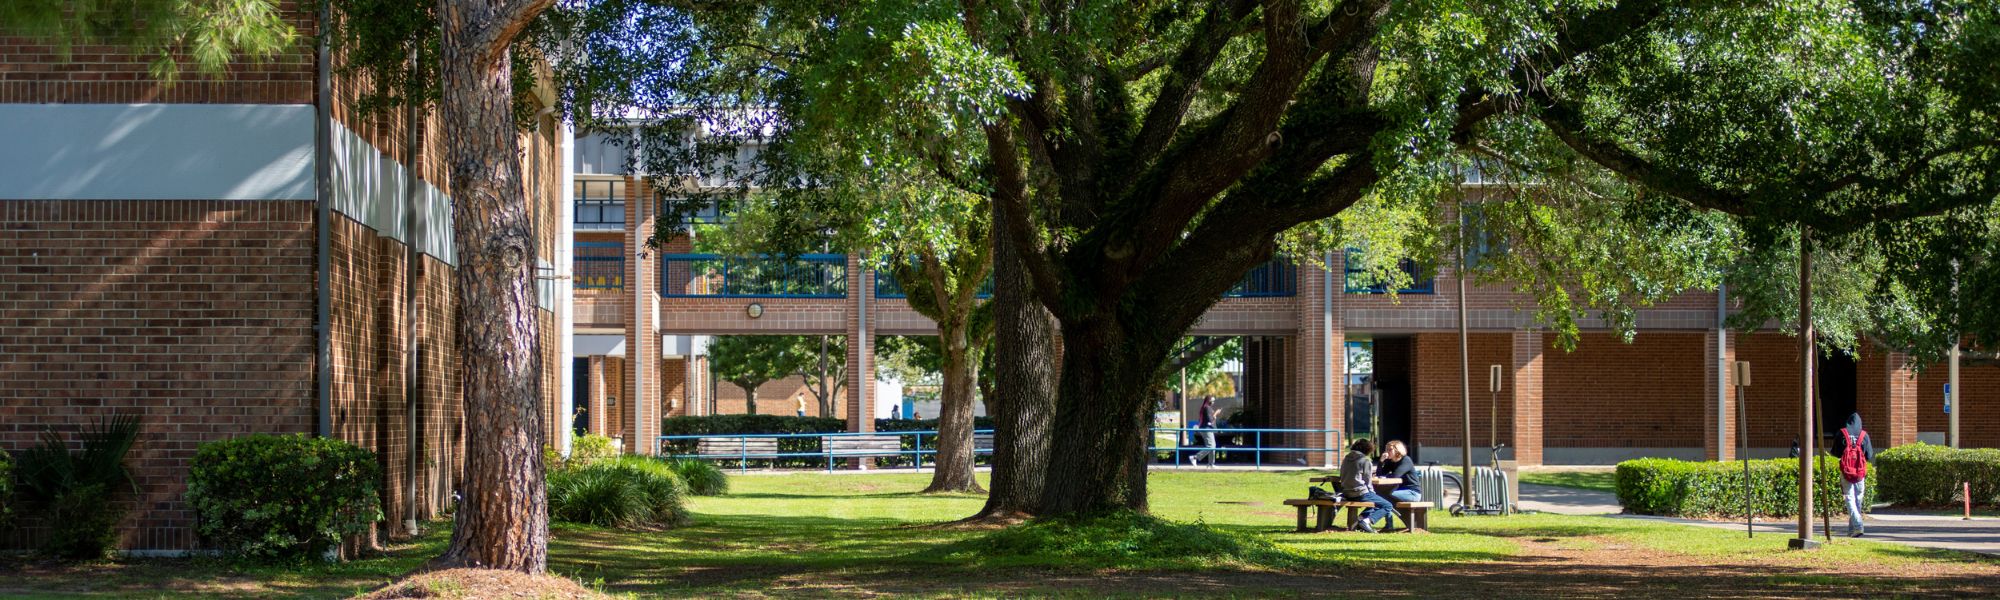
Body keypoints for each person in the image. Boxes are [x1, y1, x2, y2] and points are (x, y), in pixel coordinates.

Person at [1832, 412, 1875, 537]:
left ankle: (1857, 526)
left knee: (1849, 499)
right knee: (1858, 500)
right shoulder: (1864, 435)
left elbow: (1836, 452)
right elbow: (1869, 455)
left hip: (1846, 472)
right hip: (1860, 473)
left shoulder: (1842, 433)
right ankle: (1853, 530)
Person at [1338, 439, 1395, 533]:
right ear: (1368, 449)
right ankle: (1366, 521)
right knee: (1387, 505)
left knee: (1375, 503)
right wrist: (1372, 492)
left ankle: (1359, 520)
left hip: (1346, 492)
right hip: (1360, 493)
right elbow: (1368, 482)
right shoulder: (1365, 461)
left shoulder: (1346, 459)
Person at [1187, 396, 1219, 467]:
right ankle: (1195, 457)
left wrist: (1214, 416)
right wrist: (1215, 414)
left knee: (1213, 446)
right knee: (1211, 446)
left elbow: (1211, 420)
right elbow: (1209, 420)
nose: (1213, 402)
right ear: (1208, 401)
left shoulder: (1208, 408)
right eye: (1212, 400)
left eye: (1214, 400)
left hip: (1209, 429)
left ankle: (1211, 464)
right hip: (1206, 429)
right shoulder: (1207, 408)